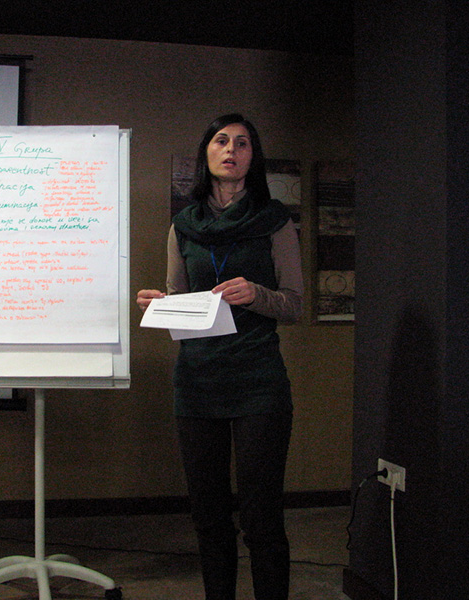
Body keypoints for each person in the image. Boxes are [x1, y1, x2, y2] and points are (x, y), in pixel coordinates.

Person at [137, 113, 303, 600]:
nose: (232, 149)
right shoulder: (183, 226)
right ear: (206, 152)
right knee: (208, 518)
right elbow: (180, 299)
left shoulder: (275, 221)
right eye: (222, 140)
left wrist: (257, 294)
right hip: (198, 383)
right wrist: (160, 305)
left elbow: (294, 304)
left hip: (258, 382)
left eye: (243, 143)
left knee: (261, 518)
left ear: (254, 158)